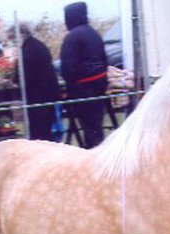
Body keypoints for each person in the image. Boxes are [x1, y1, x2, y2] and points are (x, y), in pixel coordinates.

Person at [60, 2, 108, 148]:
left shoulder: (72, 37)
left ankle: (92, 154)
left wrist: (69, 88)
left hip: (83, 88)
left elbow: (68, 68)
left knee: (89, 126)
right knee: (96, 126)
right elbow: (104, 59)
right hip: (100, 84)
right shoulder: (94, 34)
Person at [12, 23, 61, 141]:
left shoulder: (27, 51)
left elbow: (22, 76)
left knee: (39, 133)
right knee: (46, 131)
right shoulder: (38, 45)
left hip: (37, 98)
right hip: (47, 95)